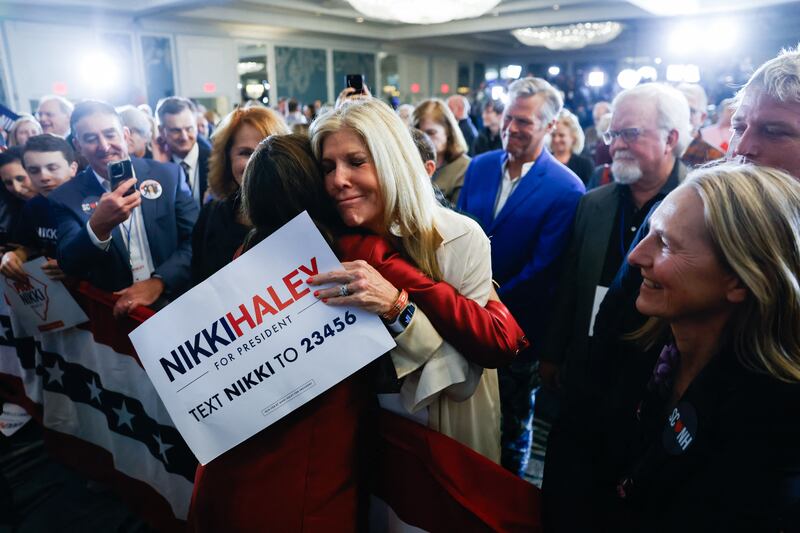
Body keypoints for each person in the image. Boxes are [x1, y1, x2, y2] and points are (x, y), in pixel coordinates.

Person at [190, 132, 527, 531]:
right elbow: (498, 338)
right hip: (311, 478)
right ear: (315, 187)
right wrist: (493, 303)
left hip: (229, 463)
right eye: (327, 169)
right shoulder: (356, 252)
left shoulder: (244, 255)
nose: (338, 181)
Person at [543, 163, 800, 531]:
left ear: (741, 279)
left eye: (665, 243)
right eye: (647, 234)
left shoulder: (776, 421)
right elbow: (576, 451)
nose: (636, 257)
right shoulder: (634, 346)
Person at [309, 98, 530, 460]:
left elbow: (462, 379)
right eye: (327, 167)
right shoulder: (325, 242)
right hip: (356, 436)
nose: (338, 180)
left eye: (356, 162)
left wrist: (397, 308)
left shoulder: (458, 237)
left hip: (440, 432)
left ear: (392, 161)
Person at [458, 76, 585, 475]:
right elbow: (458, 236)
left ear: (550, 126)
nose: (511, 128)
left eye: (525, 121)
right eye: (509, 117)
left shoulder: (567, 188)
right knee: (466, 419)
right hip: (460, 319)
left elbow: (541, 270)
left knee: (512, 427)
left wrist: (480, 307)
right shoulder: (477, 168)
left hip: (516, 329)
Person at [540, 83, 690, 393]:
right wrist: (552, 352)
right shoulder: (593, 203)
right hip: (588, 361)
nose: (616, 145)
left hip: (655, 370)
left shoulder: (697, 204)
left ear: (670, 139)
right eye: (612, 134)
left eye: (630, 133)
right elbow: (571, 284)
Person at [48, 100, 198, 317]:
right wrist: (98, 226)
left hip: (176, 299)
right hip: (114, 311)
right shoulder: (66, 196)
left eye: (110, 134)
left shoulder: (168, 175)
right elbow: (70, 263)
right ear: (78, 145)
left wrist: (159, 282)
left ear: (126, 135)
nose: (104, 146)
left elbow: (196, 239)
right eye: (90, 139)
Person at [191, 106, 289, 285]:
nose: (255, 162)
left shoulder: (301, 214)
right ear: (227, 159)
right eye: (245, 153)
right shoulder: (210, 217)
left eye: (266, 150)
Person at [0, 134, 77, 282]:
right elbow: (30, 245)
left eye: (52, 168)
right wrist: (14, 257)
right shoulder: (33, 207)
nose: (44, 177)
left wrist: (79, 268)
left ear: (73, 168)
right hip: (57, 294)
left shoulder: (95, 201)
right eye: (34, 170)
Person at [412, 99, 471, 205]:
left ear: (448, 131)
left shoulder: (465, 167)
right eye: (419, 134)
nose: (424, 140)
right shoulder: (412, 163)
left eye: (431, 133)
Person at [156, 96, 210, 204]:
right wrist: (158, 168)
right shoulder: (155, 166)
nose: (184, 137)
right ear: (161, 131)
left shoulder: (216, 160)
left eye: (189, 129)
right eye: (176, 131)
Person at [677, 83, 724, 168]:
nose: (681, 114)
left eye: (690, 110)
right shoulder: (658, 147)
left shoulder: (714, 159)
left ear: (702, 118)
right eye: (677, 108)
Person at [550, 109, 594, 184]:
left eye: (561, 135)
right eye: (553, 135)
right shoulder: (543, 162)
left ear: (573, 137)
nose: (556, 139)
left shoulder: (585, 164)